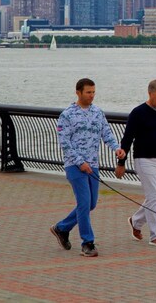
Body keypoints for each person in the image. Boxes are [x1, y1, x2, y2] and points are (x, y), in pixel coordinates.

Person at [50, 78, 126, 257]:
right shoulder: (67, 115)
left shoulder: (98, 112)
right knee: (83, 203)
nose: (91, 96)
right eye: (88, 92)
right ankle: (88, 242)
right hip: (75, 166)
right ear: (78, 92)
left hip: (92, 164)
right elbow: (65, 143)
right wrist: (79, 162)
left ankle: (61, 228)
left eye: (93, 92)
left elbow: (106, 133)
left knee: (90, 204)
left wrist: (117, 148)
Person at [115, 79, 156, 247]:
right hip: (144, 159)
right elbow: (127, 139)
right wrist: (121, 163)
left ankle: (136, 221)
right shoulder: (138, 113)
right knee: (153, 197)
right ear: (150, 94)